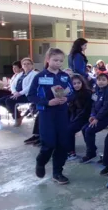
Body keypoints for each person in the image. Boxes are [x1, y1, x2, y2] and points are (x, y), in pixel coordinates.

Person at [27, 48, 75, 185]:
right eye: (55, 60)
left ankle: (57, 172)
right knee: (49, 143)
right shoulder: (40, 77)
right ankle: (41, 161)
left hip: (62, 114)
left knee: (63, 144)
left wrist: (67, 98)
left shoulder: (65, 77)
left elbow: (72, 92)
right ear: (48, 59)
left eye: (61, 61)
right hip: (47, 114)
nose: (58, 63)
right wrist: (47, 102)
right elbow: (31, 95)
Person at [81, 73, 108, 163]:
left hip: (107, 118)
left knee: (89, 130)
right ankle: (92, 149)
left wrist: (97, 118)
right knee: (84, 129)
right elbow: (93, 104)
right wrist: (92, 115)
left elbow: (106, 108)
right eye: (99, 80)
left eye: (103, 80)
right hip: (97, 117)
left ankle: (90, 153)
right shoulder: (97, 91)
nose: (101, 82)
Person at [0, 57, 37, 127]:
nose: (26, 65)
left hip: (27, 95)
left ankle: (17, 118)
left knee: (9, 101)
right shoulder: (20, 74)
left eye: (28, 64)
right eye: (24, 64)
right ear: (22, 66)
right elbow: (12, 84)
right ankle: (17, 113)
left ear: (32, 65)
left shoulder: (34, 74)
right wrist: (14, 92)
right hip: (17, 94)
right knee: (1, 101)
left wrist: (19, 93)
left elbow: (30, 86)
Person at [66, 74, 92, 161]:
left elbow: (86, 110)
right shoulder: (71, 93)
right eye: (74, 83)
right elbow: (71, 109)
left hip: (85, 117)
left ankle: (71, 152)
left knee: (69, 130)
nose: (77, 85)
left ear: (82, 83)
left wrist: (74, 120)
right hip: (75, 116)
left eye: (78, 83)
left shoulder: (87, 93)